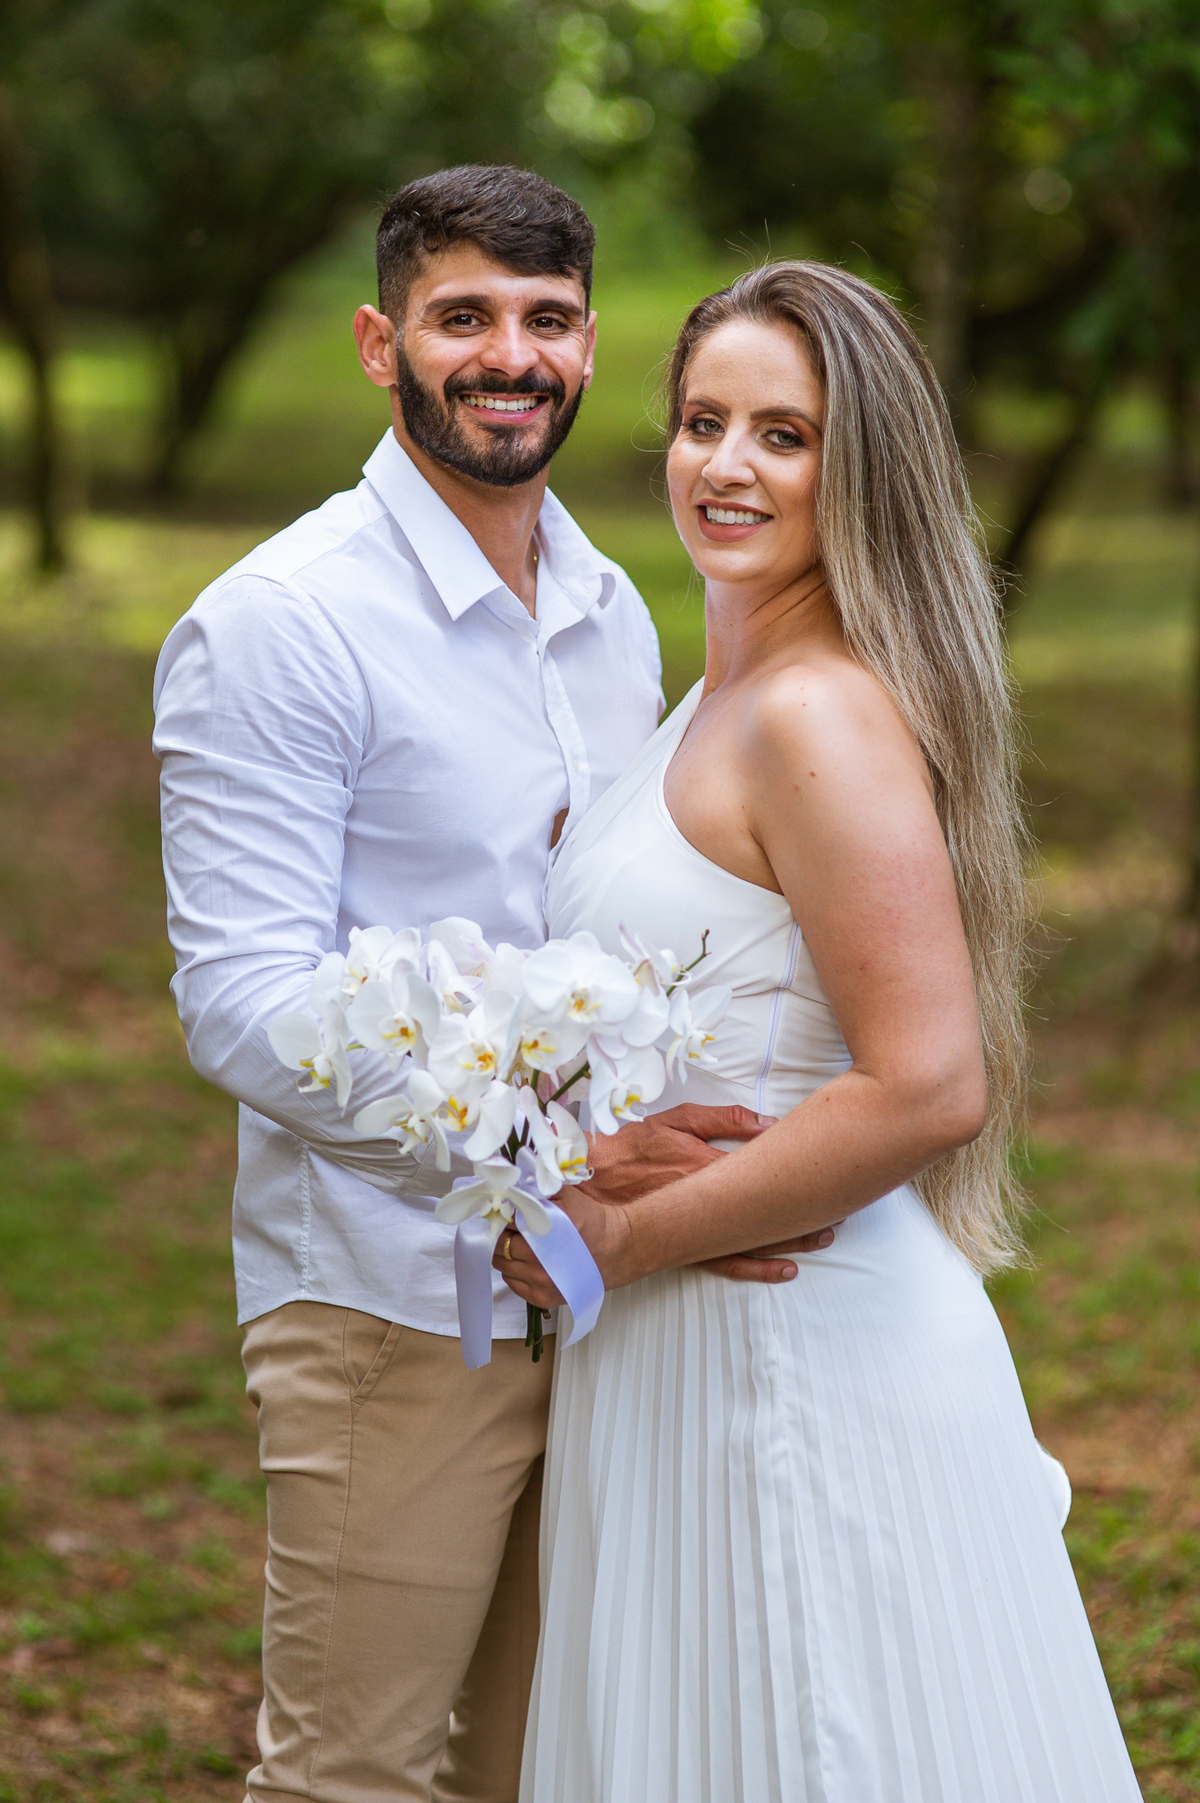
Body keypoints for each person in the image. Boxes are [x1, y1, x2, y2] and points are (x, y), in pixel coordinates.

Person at [152, 170, 826, 1803]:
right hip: (394, 1301)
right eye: (465, 319)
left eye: (546, 321)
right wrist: (536, 1168)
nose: (508, 356)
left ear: (589, 346)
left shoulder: (610, 607)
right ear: (385, 345)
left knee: (543, 1764)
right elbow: (240, 1001)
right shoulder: (278, 628)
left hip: (610, 1300)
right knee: (353, 1776)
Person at [500, 261, 1143, 1801]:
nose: (726, 465)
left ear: (859, 469)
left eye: (782, 435)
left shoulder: (815, 716)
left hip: (790, 1347)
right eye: (702, 420)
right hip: (670, 1350)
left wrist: (613, 1241)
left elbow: (930, 1083)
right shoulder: (705, 702)